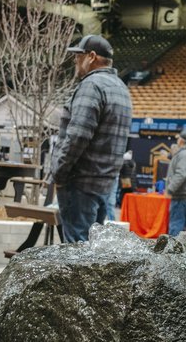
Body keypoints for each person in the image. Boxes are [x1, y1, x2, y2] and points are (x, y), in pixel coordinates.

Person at [51, 34, 132, 243]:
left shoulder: (92, 85)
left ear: (92, 57)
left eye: (79, 56)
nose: (75, 61)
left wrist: (58, 173)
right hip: (104, 185)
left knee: (77, 253)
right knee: (91, 255)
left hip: (81, 185)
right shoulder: (121, 89)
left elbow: (77, 136)